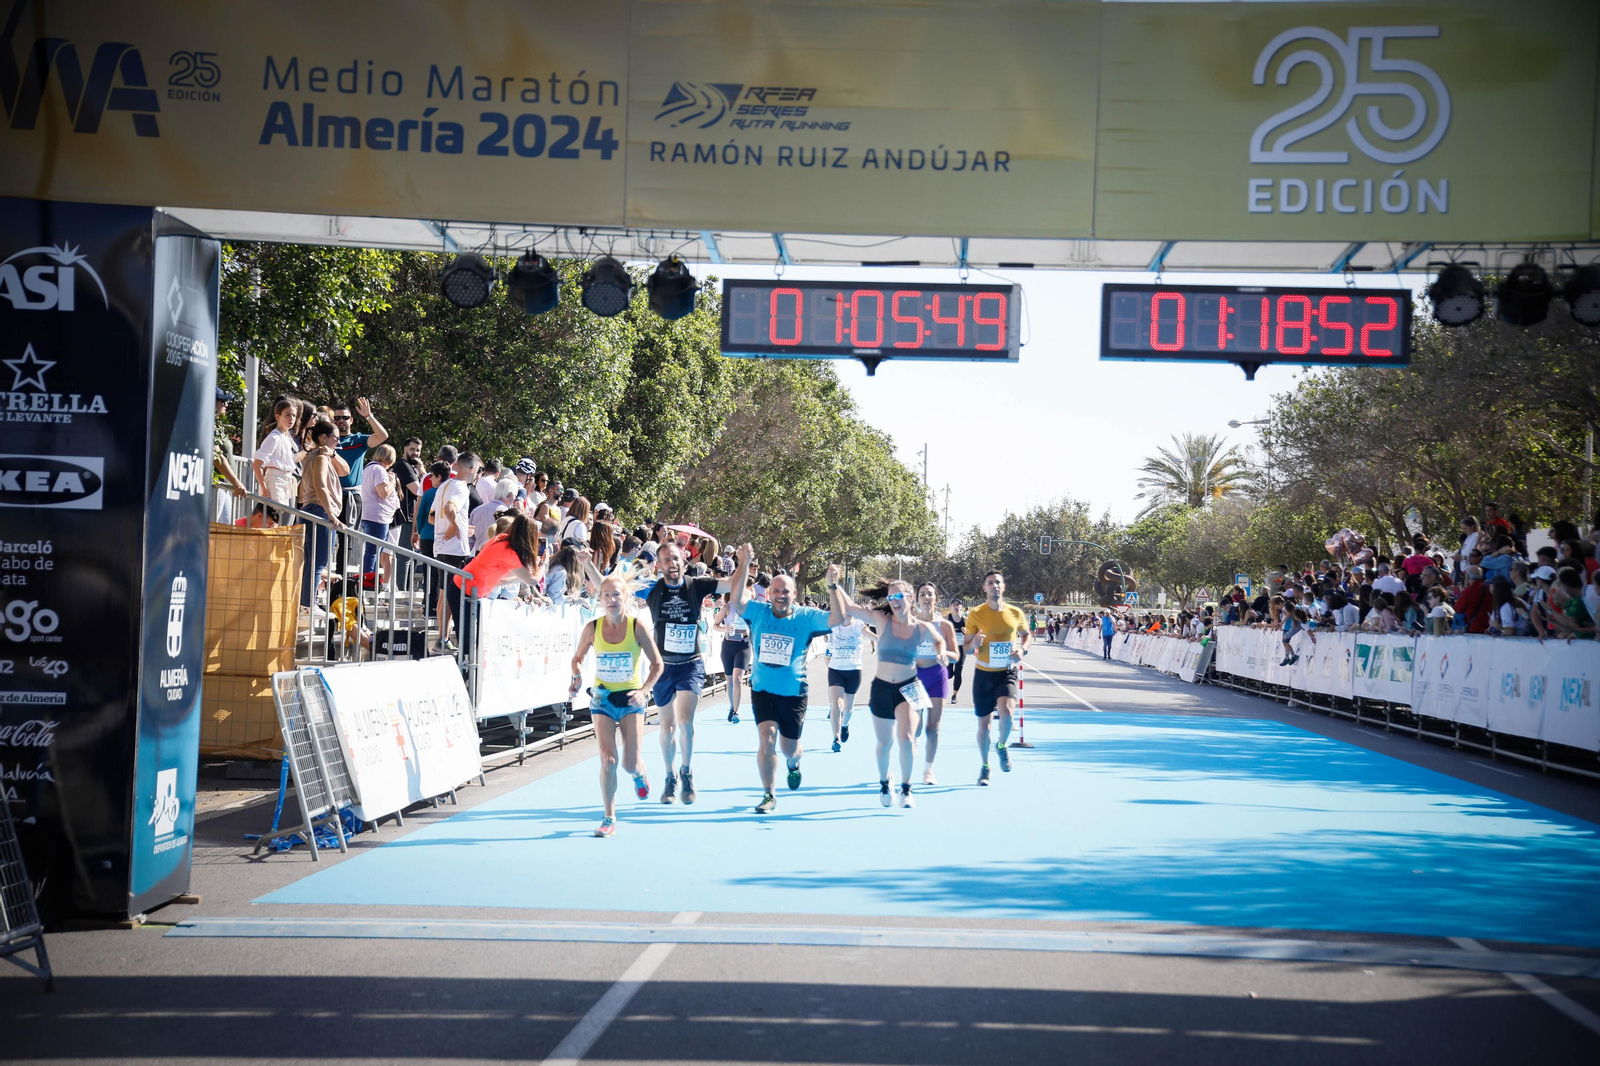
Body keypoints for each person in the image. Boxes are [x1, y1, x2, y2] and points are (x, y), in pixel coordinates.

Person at [624, 540, 732, 805]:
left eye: (676, 558)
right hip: (662, 667)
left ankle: (687, 771)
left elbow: (732, 585)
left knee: (685, 721)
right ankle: (670, 775)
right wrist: (587, 566)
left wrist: (745, 560)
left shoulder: (698, 584)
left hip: (690, 664)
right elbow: (611, 585)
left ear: (684, 560)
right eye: (666, 560)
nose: (672, 563)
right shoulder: (652, 588)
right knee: (667, 727)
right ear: (658, 566)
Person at [728, 543, 832, 814]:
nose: (780, 595)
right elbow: (736, 600)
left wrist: (832, 586)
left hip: (794, 693)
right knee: (766, 737)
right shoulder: (759, 612)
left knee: (789, 749)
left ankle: (794, 764)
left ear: (794, 594)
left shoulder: (807, 617)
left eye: (785, 591)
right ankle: (769, 795)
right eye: (775, 590)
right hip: (763, 690)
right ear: (769, 594)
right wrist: (744, 563)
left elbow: (838, 618)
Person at [828, 575, 945, 807]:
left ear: (910, 599)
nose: (893, 600)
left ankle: (906, 788)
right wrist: (834, 585)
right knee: (884, 744)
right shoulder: (881, 620)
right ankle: (884, 781)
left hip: (909, 687)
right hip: (882, 688)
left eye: (899, 595)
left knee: (907, 738)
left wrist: (940, 652)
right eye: (890, 596)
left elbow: (939, 640)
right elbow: (848, 607)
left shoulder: (921, 627)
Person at [569, 573, 665, 838]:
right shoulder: (592, 628)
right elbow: (576, 659)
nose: (612, 599)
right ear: (600, 600)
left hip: (631, 701)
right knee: (608, 760)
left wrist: (644, 691)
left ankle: (639, 772)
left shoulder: (637, 627)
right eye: (607, 595)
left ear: (627, 598)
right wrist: (576, 676)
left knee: (629, 763)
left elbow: (658, 664)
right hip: (602, 699)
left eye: (617, 595)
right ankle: (609, 817)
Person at [961, 571, 1031, 786]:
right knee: (985, 726)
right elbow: (965, 648)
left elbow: (1026, 635)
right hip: (983, 673)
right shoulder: (975, 613)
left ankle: (1001, 746)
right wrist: (974, 644)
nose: (994, 586)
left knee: (1007, 712)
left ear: (1004, 586)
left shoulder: (1015, 612)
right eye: (990, 583)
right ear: (984, 588)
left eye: (998, 582)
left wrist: (1022, 649)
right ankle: (985, 766)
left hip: (1007, 671)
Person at [429, 452, 478, 652]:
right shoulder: (460, 487)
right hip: (454, 549)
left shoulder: (444, 485)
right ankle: (443, 638)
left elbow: (432, 518)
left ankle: (443, 638)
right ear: (472, 470)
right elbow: (450, 510)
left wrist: (457, 526)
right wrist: (457, 528)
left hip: (442, 546)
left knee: (443, 594)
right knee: (449, 595)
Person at [296, 421, 346, 617]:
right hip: (320, 511)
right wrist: (332, 515)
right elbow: (320, 486)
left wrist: (332, 453)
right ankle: (308, 604)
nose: (338, 441)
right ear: (324, 438)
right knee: (318, 561)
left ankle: (306, 603)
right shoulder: (319, 458)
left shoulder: (318, 455)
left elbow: (346, 470)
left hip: (314, 510)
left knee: (313, 560)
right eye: (335, 438)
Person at [912, 582, 959, 785]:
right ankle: (911, 751)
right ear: (918, 599)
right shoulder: (910, 624)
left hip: (937, 677)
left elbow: (956, 655)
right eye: (922, 594)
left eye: (930, 594)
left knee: (934, 727)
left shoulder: (945, 625)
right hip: (914, 678)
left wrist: (943, 654)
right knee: (915, 726)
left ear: (935, 598)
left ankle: (928, 771)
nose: (926, 597)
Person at [251, 398, 302, 521]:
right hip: (275, 479)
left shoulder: (286, 437)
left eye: (294, 416)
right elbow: (256, 464)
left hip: (287, 480)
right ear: (278, 417)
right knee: (274, 519)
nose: (291, 419)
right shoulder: (274, 437)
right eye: (287, 415)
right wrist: (264, 489)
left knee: (285, 519)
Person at [826, 610, 868, 752]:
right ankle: (835, 738)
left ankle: (845, 725)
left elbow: (870, 634)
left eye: (850, 613)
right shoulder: (833, 626)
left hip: (854, 670)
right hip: (836, 669)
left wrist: (883, 638)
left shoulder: (858, 625)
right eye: (844, 612)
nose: (847, 615)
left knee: (848, 709)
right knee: (836, 705)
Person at [712, 593, 751, 723]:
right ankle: (732, 706)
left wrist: (750, 631)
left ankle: (736, 712)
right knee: (729, 680)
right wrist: (725, 628)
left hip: (744, 646)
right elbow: (715, 625)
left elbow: (757, 626)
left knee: (738, 680)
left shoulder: (750, 608)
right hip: (728, 646)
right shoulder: (727, 608)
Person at [392, 437, 424, 590]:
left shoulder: (414, 467)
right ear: (405, 449)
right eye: (412, 449)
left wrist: (421, 470)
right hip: (405, 516)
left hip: (413, 516)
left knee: (411, 556)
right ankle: (402, 592)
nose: (415, 453)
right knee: (404, 555)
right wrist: (423, 471)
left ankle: (407, 593)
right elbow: (419, 491)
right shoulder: (403, 466)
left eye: (418, 450)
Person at [211, 387, 248, 519]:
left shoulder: (217, 426)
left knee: (225, 534)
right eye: (222, 401)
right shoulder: (207, 425)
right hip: (216, 485)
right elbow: (217, 457)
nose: (226, 405)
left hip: (225, 486)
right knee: (212, 530)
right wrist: (236, 483)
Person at [945, 598, 967, 704]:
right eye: (954, 604)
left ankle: (954, 695)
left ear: (961, 607)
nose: (956, 606)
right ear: (951, 606)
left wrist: (966, 632)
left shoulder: (965, 620)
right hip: (949, 649)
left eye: (958, 605)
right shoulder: (946, 619)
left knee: (958, 673)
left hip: (961, 649)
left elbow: (971, 636)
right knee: (948, 674)